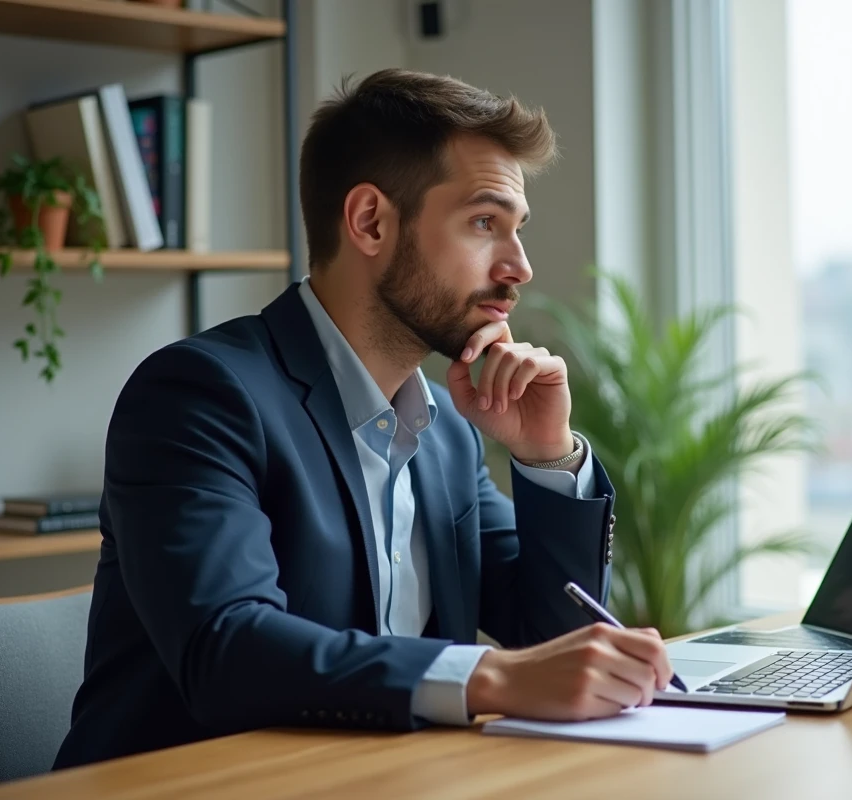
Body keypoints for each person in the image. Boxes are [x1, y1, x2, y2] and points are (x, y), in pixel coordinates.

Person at [53, 68, 674, 770]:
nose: (519, 266)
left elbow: (551, 638)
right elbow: (227, 649)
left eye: (517, 230)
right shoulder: (199, 396)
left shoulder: (446, 433)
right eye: (484, 223)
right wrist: (489, 677)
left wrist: (547, 455)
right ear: (371, 221)